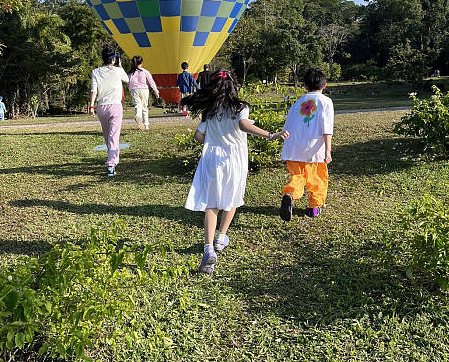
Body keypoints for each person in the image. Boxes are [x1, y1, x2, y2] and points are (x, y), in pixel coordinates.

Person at [183, 69, 289, 274]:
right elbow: (243, 125)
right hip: (233, 158)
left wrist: (214, 142)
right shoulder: (240, 107)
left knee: (212, 205)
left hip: (212, 158)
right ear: (233, 86)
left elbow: (198, 135)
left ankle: (208, 248)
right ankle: (221, 237)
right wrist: (271, 135)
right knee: (232, 198)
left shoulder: (210, 110)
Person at [279, 67, 334, 221]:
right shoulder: (325, 101)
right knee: (317, 178)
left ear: (305, 87)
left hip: (293, 147)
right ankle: (314, 209)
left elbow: (288, 125)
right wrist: (328, 151)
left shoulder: (298, 102)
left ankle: (290, 194)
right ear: (324, 85)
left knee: (297, 176)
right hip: (313, 149)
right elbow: (327, 128)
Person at [89, 45, 129, 177]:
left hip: (101, 107)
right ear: (113, 59)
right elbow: (127, 79)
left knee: (108, 136)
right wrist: (120, 65)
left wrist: (91, 106)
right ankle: (111, 163)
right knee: (113, 136)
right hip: (115, 106)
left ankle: (112, 157)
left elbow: (94, 90)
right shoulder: (118, 70)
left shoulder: (95, 72)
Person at [128, 55, 160, 130]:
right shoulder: (145, 71)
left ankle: (137, 116)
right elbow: (151, 81)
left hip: (134, 90)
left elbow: (129, 82)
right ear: (141, 62)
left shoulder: (130, 73)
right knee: (144, 107)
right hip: (144, 90)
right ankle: (146, 125)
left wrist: (130, 90)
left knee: (137, 105)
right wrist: (156, 91)